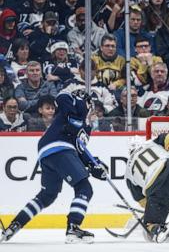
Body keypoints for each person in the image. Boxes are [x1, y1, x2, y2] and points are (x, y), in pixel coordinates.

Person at [0, 88, 108, 243]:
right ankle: (73, 228)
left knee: (48, 195)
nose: (95, 112)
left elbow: (79, 149)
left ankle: (15, 224)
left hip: (49, 152)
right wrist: (79, 103)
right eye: (93, 108)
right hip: (58, 146)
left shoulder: (86, 127)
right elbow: (62, 97)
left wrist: (94, 164)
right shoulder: (73, 107)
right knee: (84, 188)